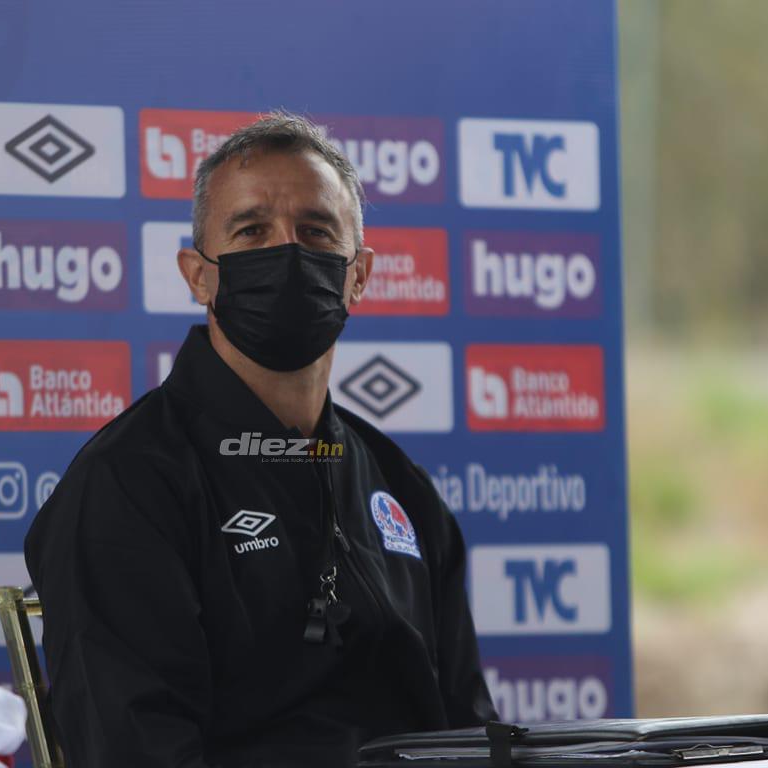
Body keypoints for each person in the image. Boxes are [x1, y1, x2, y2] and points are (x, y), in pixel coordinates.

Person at [25, 112, 496, 768]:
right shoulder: (128, 485)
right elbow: (135, 749)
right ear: (198, 275)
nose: (288, 252)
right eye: (251, 231)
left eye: (315, 230)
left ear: (358, 275)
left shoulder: (400, 486)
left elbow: (471, 733)